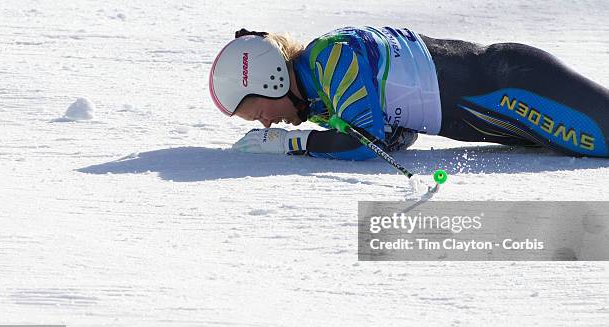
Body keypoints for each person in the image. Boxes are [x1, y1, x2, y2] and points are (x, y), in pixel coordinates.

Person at [209, 27, 609, 160]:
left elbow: (365, 143)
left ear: (271, 79)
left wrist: (288, 144)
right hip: (506, 115)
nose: (264, 121)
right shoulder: (321, 97)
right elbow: (399, 135)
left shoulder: (331, 58)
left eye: (257, 110)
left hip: (517, 88)